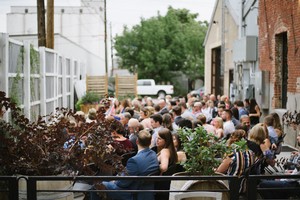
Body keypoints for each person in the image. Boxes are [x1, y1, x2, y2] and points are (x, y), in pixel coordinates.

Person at [90, 130, 159, 200]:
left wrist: (114, 180)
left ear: (137, 141)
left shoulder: (134, 161)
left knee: (97, 186)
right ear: (150, 142)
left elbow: (122, 183)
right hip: (147, 193)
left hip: (132, 193)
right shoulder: (153, 154)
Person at [258, 135, 300, 199]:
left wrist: (282, 179)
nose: (297, 137)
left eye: (299, 136)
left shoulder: (263, 144)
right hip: (293, 179)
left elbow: (271, 161)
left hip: (295, 183)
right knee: (269, 179)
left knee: (262, 185)